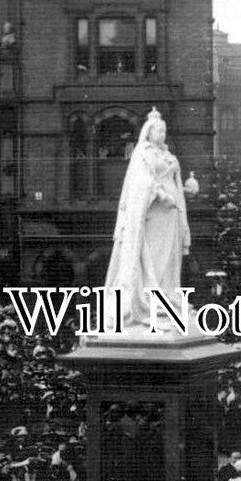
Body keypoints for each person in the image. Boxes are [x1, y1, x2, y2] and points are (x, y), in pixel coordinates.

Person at [103, 108, 191, 331]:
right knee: (152, 256)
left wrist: (181, 198)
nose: (162, 134)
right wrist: (162, 195)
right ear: (149, 132)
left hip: (170, 216)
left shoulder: (170, 157)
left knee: (169, 260)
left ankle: (168, 296)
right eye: (158, 131)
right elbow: (141, 182)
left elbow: (176, 185)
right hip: (153, 212)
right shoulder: (142, 154)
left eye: (164, 131)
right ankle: (150, 300)